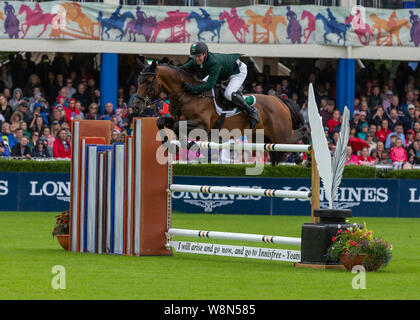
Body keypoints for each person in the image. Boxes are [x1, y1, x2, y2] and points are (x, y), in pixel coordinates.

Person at [181, 42, 259, 129]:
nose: (196, 59)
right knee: (201, 83)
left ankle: (250, 110)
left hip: (238, 71)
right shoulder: (197, 59)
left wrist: (191, 89)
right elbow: (181, 69)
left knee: (228, 94)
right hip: (224, 71)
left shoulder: (214, 63)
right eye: (194, 57)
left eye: (198, 56)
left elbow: (209, 86)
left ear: (205, 54)